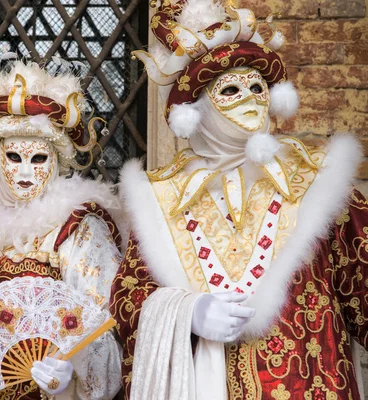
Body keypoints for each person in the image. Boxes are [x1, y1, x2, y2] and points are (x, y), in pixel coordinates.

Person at [110, 0, 367, 398]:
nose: (250, 98)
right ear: (197, 110)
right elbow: (127, 299)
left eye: (257, 87)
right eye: (229, 89)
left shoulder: (320, 184)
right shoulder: (160, 197)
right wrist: (184, 314)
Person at [0, 59, 124, 399]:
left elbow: (107, 330)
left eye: (39, 159)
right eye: (14, 157)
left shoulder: (76, 229)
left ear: (56, 162)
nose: (26, 171)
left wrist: (71, 373)